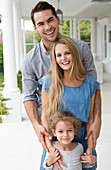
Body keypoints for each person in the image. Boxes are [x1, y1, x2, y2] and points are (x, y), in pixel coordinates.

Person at [22, 1, 101, 169]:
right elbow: (29, 97)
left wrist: (97, 120)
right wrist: (38, 127)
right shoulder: (31, 62)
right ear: (35, 28)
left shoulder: (81, 48)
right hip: (54, 132)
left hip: (82, 129)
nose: (48, 26)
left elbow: (93, 88)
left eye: (50, 20)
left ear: (58, 19)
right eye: (41, 24)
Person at [38, 37, 100, 169]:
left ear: (75, 54)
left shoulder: (90, 84)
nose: (63, 58)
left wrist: (89, 148)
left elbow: (90, 120)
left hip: (82, 138)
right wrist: (50, 150)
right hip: (57, 139)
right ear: (55, 59)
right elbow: (45, 116)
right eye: (58, 55)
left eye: (67, 53)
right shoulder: (49, 82)